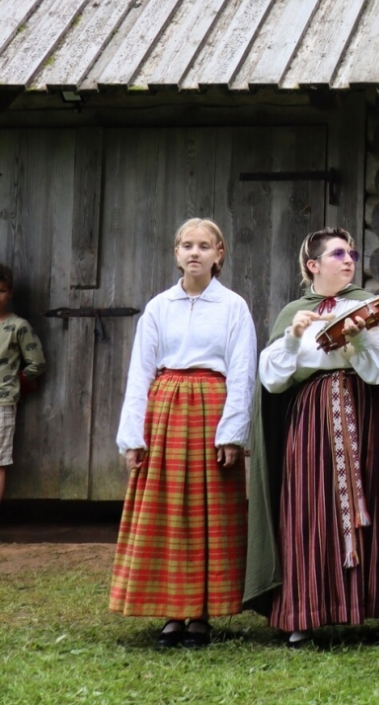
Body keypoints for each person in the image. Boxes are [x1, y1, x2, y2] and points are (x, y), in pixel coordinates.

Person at [244, 227, 379, 647]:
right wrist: (292, 337)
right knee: (307, 506)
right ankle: (304, 610)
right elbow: (271, 380)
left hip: (365, 418)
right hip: (310, 420)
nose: (349, 260)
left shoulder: (368, 307)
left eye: (352, 254)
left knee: (372, 501)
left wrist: (357, 337)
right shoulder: (294, 313)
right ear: (313, 265)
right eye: (338, 253)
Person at [107, 219, 255, 648]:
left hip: (211, 408)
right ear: (176, 253)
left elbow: (243, 372)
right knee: (169, 513)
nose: (195, 253)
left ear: (219, 253)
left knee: (208, 514)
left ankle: (202, 614)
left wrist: (231, 433)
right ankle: (173, 612)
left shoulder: (233, 307)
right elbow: (140, 372)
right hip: (166, 411)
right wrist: (133, 436)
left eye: (204, 246)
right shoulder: (159, 307)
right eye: (187, 246)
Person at [0, 263, 45, 506]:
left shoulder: (18, 326)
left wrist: (15, 384)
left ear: (10, 293)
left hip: (2, 402)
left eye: (1, 290)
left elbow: (37, 363)